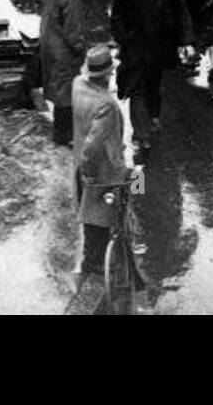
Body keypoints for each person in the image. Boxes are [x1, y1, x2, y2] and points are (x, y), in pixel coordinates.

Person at [110, 0, 194, 155]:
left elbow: (181, 11)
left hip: (160, 46)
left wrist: (186, 41)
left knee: (153, 86)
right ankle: (141, 134)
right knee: (136, 89)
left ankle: (153, 117)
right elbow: (116, 15)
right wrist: (124, 38)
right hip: (135, 47)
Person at [72, 45, 129, 275]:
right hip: (100, 171)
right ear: (107, 75)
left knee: (89, 216)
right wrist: (91, 172)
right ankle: (96, 265)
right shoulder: (107, 104)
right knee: (104, 216)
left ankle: (92, 257)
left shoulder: (77, 85)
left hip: (80, 166)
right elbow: (94, 145)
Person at [39, 0, 86, 146]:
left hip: (47, 44)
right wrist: (81, 50)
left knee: (56, 89)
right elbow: (72, 33)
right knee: (66, 95)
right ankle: (64, 137)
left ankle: (60, 134)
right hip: (63, 51)